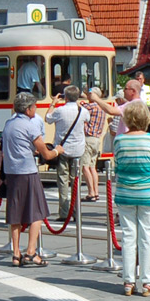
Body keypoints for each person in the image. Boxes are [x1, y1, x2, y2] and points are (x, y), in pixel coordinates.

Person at [0, 91, 65, 268]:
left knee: (15, 214)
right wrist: (57, 150)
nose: (35, 109)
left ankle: (16, 254)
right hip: (27, 172)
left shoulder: (9, 123)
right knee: (37, 212)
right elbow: (46, 154)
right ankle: (31, 252)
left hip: (11, 172)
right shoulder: (29, 126)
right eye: (34, 106)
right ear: (28, 109)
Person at [112, 101, 150, 296]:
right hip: (149, 193)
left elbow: (117, 167)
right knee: (147, 238)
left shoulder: (119, 140)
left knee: (128, 237)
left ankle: (128, 282)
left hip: (125, 193)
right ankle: (147, 283)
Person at [43, 84, 89, 220]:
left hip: (62, 150)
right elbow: (87, 120)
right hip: (78, 149)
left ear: (65, 97)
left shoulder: (59, 111)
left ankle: (64, 212)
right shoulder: (83, 111)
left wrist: (53, 103)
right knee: (76, 181)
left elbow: (48, 118)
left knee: (63, 181)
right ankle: (76, 211)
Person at [79, 86, 108, 202]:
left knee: (85, 166)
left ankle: (91, 192)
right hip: (96, 139)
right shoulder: (102, 107)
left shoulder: (91, 107)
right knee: (92, 167)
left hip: (88, 138)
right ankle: (96, 192)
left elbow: (80, 106)